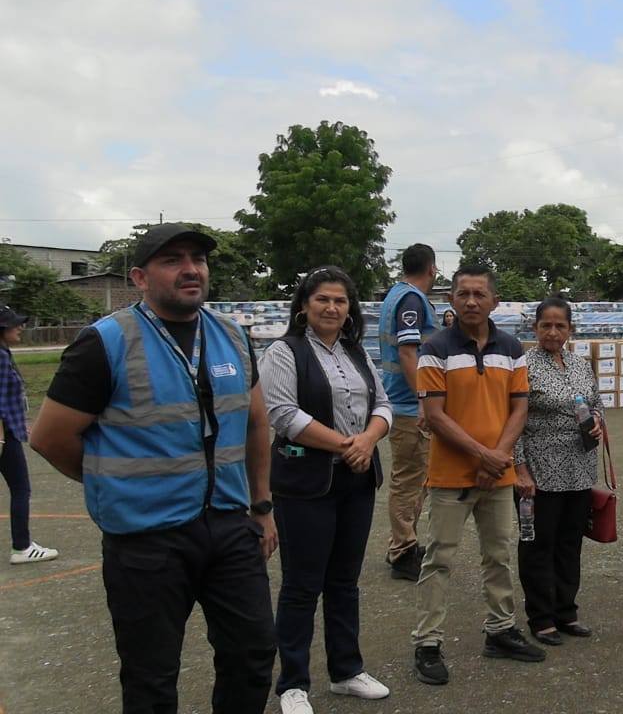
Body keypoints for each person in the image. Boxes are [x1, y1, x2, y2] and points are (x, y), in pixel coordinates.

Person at [29, 223, 277, 714]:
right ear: (140, 278)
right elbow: (49, 438)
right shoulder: (105, 342)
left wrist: (262, 505)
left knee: (252, 654)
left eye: (198, 259)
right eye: (172, 260)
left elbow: (255, 423)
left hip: (228, 525)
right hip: (146, 539)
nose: (191, 269)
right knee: (151, 677)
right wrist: (116, 481)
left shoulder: (231, 336)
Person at [261, 266, 393, 713]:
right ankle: (293, 683)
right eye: (322, 299)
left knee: (344, 581)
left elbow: (383, 404)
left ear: (350, 309)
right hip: (306, 484)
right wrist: (346, 445)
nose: (332, 308)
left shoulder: (356, 352)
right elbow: (283, 414)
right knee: (302, 584)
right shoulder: (284, 352)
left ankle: (346, 671)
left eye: (340, 301)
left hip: (357, 481)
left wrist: (368, 440)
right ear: (303, 305)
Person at [411, 264, 543, 687]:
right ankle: (427, 643)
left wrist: (498, 458)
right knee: (439, 559)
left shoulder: (512, 348)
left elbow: (519, 408)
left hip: (498, 475)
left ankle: (500, 630)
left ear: (494, 301)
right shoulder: (435, 348)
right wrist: (486, 456)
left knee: (498, 555)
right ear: (451, 299)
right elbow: (435, 415)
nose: (471, 301)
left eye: (479, 294)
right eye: (463, 293)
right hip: (451, 475)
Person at [513, 297, 603, 645]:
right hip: (539, 474)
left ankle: (566, 611)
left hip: (579, 470)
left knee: (569, 543)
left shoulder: (580, 365)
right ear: (534, 328)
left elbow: (596, 404)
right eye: (546, 325)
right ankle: (541, 617)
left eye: (559, 326)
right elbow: (512, 421)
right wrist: (520, 470)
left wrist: (597, 421)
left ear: (570, 329)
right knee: (538, 544)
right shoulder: (523, 366)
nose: (552, 332)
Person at [378, 244, 437, 581]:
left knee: (414, 479)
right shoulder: (412, 300)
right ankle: (401, 551)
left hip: (402, 401)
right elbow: (407, 353)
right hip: (408, 405)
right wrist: (424, 398)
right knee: (409, 481)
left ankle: (406, 542)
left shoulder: (395, 295)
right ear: (432, 268)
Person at [1, 306, 58, 564]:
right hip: (4, 436)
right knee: (21, 488)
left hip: (10, 430)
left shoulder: (4, 353)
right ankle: (22, 547)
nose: (20, 327)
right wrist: (2, 437)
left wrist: (20, 423)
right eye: (14, 324)